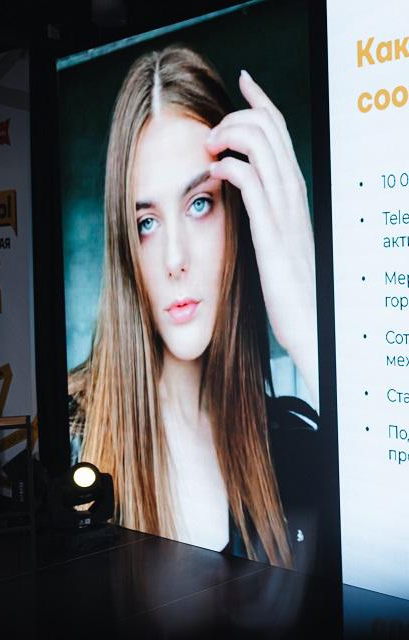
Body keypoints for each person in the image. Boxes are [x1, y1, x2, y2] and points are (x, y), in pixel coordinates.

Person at [67, 45, 319, 570]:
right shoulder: (72, 440)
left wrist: (308, 332)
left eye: (199, 203)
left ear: (237, 215)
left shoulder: (290, 444)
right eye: (146, 223)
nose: (174, 260)